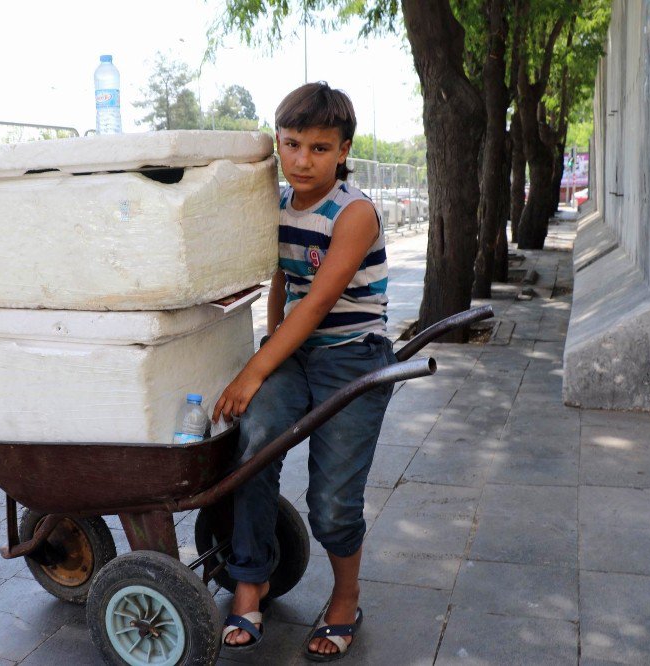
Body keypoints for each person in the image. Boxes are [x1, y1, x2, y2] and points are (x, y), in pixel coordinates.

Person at [214, 82, 394, 661]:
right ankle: (250, 580)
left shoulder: (355, 211)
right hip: (295, 351)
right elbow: (283, 285)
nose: (301, 160)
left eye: (319, 148)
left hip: (352, 354)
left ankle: (346, 596)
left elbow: (316, 303)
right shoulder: (277, 206)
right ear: (277, 142)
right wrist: (271, 349)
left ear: (344, 151)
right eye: (291, 144)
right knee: (254, 444)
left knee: (333, 500)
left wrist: (250, 371)